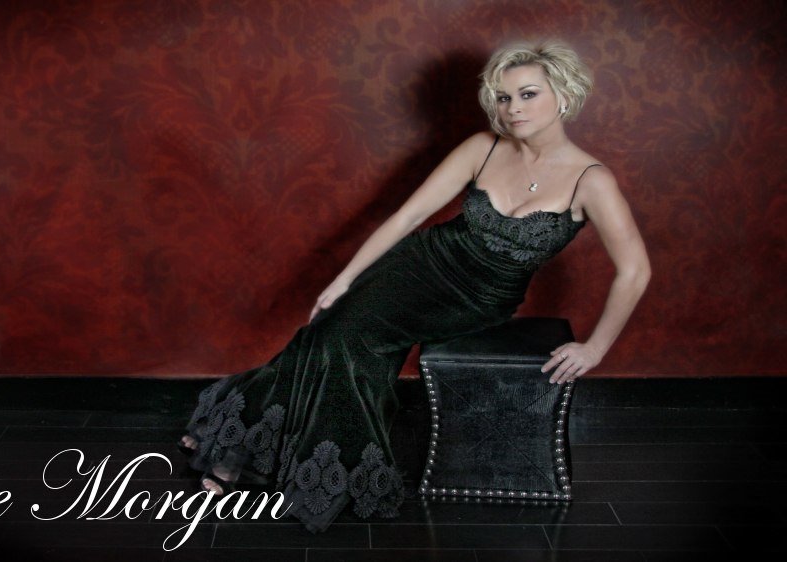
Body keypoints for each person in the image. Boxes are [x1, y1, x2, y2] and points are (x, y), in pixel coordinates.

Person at [176, 39, 650, 533]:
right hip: (420, 262)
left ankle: (242, 438)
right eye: (504, 97)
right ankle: (246, 445)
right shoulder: (483, 146)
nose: (514, 108)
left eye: (528, 94)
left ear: (564, 95)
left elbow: (634, 270)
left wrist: (596, 348)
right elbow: (408, 217)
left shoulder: (591, 181)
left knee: (347, 339)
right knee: (333, 330)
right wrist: (343, 280)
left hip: (479, 298)